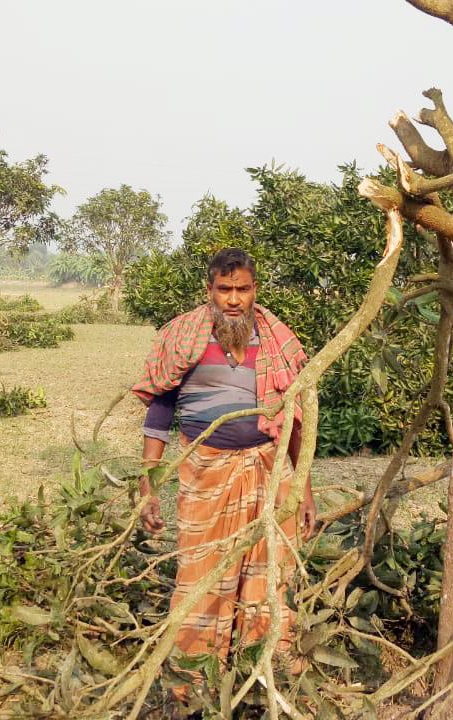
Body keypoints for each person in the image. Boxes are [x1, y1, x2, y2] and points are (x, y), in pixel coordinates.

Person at [131, 247, 317, 698]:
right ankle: (194, 681)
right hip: (205, 473)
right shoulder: (182, 338)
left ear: (255, 290)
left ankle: (263, 670)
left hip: (269, 473)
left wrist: (304, 488)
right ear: (209, 290)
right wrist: (148, 484)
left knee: (270, 570)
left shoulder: (276, 339)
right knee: (202, 571)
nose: (234, 299)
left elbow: (294, 420)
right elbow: (159, 414)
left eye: (243, 289)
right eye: (224, 289)